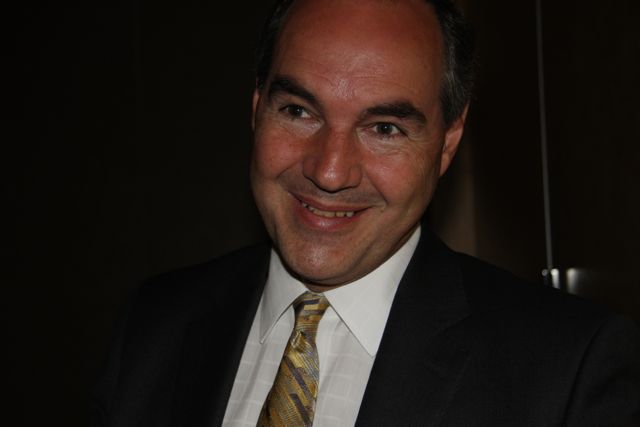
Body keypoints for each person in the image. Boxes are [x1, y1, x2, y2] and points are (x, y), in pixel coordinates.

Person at [90, 0, 640, 426]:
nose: (330, 172)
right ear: (257, 110)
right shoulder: (153, 327)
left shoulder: (568, 372)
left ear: (447, 143)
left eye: (384, 128)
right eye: (298, 111)